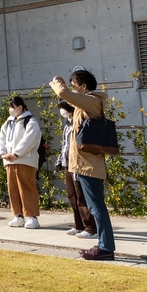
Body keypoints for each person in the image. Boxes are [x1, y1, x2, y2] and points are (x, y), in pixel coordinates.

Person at [50, 69, 115, 261]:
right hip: (82, 165)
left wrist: (56, 83)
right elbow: (68, 99)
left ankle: (106, 247)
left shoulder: (94, 101)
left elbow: (63, 94)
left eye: (74, 86)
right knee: (96, 207)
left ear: (84, 87)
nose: (72, 90)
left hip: (89, 165)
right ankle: (104, 246)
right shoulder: (84, 103)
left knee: (96, 208)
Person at [0, 96, 42, 230]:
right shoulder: (8, 123)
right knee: (13, 188)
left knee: (26, 187)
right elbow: (1, 138)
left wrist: (16, 153)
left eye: (12, 107)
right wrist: (3, 153)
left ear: (20, 107)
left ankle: (32, 217)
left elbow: (29, 140)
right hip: (10, 161)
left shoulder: (30, 121)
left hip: (25, 160)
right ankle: (18, 215)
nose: (10, 110)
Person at [54, 101, 97, 239]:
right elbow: (65, 146)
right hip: (68, 164)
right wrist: (60, 162)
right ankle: (78, 225)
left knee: (81, 197)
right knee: (72, 196)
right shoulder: (67, 124)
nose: (62, 112)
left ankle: (90, 227)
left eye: (63, 109)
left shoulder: (78, 123)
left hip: (78, 165)